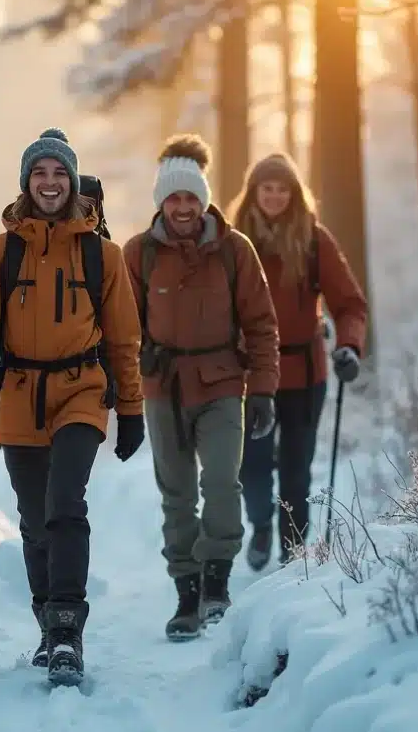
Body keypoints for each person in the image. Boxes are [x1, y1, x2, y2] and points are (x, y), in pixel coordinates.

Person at [0, 128, 145, 686]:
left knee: (65, 504)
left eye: (59, 173)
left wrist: (131, 408)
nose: (50, 182)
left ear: (73, 181)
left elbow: (124, 340)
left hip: (81, 389)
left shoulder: (100, 253)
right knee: (35, 522)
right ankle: (45, 623)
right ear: (26, 182)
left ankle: (67, 630)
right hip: (17, 394)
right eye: (40, 173)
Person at [122, 134, 279, 642]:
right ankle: (186, 595)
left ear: (205, 200)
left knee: (220, 484)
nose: (184, 207)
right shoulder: (138, 254)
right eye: (174, 198)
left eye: (192, 197)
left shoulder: (235, 250)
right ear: (161, 202)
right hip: (162, 386)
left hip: (221, 383)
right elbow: (120, 326)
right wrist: (129, 376)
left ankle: (217, 583)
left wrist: (263, 391)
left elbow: (260, 324)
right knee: (176, 494)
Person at [228, 152, 367, 570]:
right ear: (253, 193)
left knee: (296, 470)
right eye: (266, 188)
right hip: (251, 375)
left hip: (306, 374)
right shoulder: (232, 242)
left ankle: (293, 556)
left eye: (281, 189)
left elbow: (350, 303)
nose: (273, 196)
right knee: (250, 468)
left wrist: (349, 346)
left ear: (294, 193)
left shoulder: (313, 239)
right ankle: (262, 524)